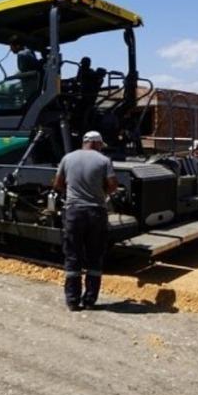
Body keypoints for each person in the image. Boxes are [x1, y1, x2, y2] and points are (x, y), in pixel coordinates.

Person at [53, 131, 119, 311]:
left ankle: (72, 301)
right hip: (96, 213)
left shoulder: (67, 158)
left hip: (73, 212)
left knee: (73, 255)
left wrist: (72, 189)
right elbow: (113, 186)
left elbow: (57, 184)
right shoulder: (104, 161)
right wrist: (102, 191)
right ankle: (89, 300)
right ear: (97, 143)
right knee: (94, 255)